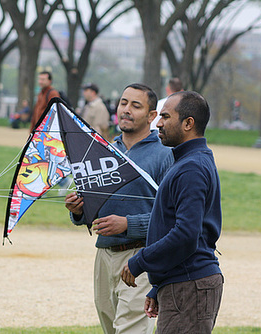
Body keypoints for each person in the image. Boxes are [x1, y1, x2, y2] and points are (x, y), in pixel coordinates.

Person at [65, 83, 174, 334]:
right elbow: (92, 210)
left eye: (136, 106)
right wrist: (79, 211)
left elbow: (172, 217)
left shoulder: (165, 154)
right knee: (111, 329)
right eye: (123, 103)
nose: (126, 110)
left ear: (151, 116)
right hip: (104, 256)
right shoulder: (104, 151)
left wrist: (127, 224)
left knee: (130, 330)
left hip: (141, 257)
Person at [121, 91, 224, 334]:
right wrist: (160, 284)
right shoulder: (187, 162)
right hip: (181, 283)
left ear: (188, 123)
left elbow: (187, 234)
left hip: (190, 285)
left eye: (166, 117)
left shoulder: (192, 168)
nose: (158, 124)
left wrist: (141, 261)